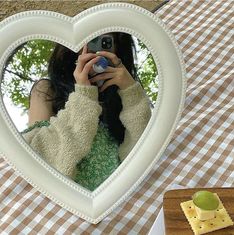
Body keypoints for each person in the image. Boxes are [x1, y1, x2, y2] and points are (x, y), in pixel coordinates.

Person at [21, 33, 151, 191]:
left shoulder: (123, 94)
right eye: (90, 40)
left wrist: (131, 92)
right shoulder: (47, 90)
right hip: (70, 201)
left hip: (125, 193)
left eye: (106, 42)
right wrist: (84, 95)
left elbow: (144, 154)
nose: (94, 48)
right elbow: (38, 156)